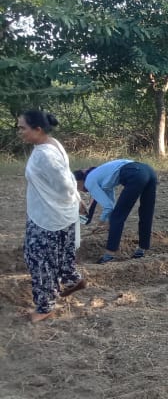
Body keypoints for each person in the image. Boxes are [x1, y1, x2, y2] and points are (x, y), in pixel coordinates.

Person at [17, 110, 85, 323]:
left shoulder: (44, 153)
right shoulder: (51, 144)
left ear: (38, 129)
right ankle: (73, 279)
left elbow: (65, 182)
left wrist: (71, 198)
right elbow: (66, 177)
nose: (20, 132)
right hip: (58, 214)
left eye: (22, 128)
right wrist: (76, 199)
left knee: (38, 259)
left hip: (48, 217)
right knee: (59, 253)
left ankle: (45, 307)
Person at [74, 159, 157, 263]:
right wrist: (108, 221)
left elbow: (108, 207)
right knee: (146, 212)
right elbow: (111, 205)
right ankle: (142, 249)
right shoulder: (100, 176)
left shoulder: (89, 181)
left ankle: (109, 254)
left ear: (78, 181)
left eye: (77, 187)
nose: (80, 190)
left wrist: (101, 222)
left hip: (135, 173)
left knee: (118, 217)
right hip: (149, 170)